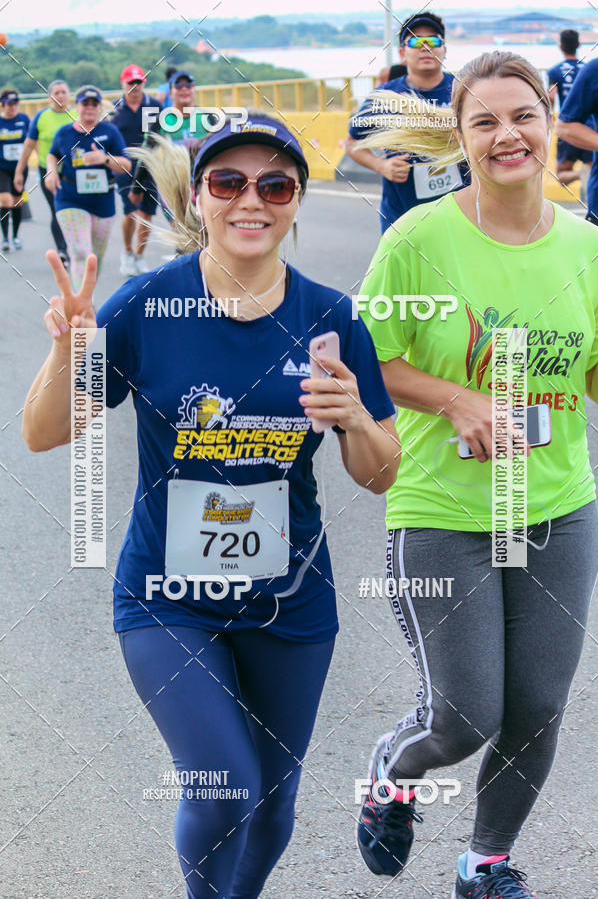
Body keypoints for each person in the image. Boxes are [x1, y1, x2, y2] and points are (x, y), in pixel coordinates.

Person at [22, 113, 400, 899]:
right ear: (199, 197)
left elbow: (380, 474)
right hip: (167, 598)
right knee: (226, 783)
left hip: (290, 601)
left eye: (274, 184)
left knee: (272, 803)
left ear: (295, 200)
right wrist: (69, 353)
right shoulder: (145, 306)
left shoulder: (333, 317)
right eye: (229, 182)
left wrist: (356, 416)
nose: (250, 201)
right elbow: (43, 432)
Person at [355, 51, 598, 899]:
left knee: (536, 709)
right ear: (459, 139)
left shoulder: (587, 246)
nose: (509, 135)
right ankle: (390, 779)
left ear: (548, 121)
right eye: (485, 121)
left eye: (523, 115)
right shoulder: (418, 241)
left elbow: (592, 373)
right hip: (444, 510)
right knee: (465, 716)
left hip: (558, 506)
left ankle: (485, 865)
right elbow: (368, 360)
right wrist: (456, 400)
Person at [346, 12, 468, 233]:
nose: (425, 47)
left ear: (444, 50)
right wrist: (381, 165)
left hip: (461, 214)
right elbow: (352, 143)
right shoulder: (385, 95)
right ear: (402, 53)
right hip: (402, 217)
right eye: (415, 41)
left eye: (433, 41)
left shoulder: (464, 90)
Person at [45, 85, 131, 291]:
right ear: (77, 106)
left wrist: (105, 158)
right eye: (85, 103)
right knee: (82, 252)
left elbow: (126, 166)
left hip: (102, 201)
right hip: (70, 198)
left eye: (94, 104)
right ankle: (84, 306)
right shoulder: (64, 133)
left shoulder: (109, 131)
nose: (90, 108)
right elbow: (52, 154)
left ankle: (84, 296)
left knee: (94, 259)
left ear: (100, 107)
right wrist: (51, 170)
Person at [129, 70, 209, 224]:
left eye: (189, 85)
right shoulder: (161, 121)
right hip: (172, 189)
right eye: (178, 86)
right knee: (184, 236)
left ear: (194, 89)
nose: (184, 89)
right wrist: (137, 188)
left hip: (202, 186)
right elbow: (147, 155)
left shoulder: (208, 118)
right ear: (170, 92)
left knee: (205, 234)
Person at [110, 63, 162, 276]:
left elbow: (164, 137)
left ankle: (140, 256)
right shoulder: (113, 109)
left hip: (150, 166)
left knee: (147, 214)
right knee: (131, 211)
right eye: (130, 82)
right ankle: (127, 251)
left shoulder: (155, 106)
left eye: (138, 82)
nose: (135, 86)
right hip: (123, 167)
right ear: (123, 84)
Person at [14, 80, 73, 265]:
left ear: (69, 94)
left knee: (72, 211)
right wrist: (19, 171)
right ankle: (62, 250)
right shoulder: (41, 116)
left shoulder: (77, 114)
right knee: (57, 209)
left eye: (64, 91)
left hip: (74, 172)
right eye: (57, 92)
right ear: (50, 96)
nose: (61, 95)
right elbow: (29, 145)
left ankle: (75, 247)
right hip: (48, 171)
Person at [546, 29, 593, 187]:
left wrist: (549, 116)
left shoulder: (555, 70)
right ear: (578, 45)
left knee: (562, 174)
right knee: (595, 171)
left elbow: (551, 96)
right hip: (591, 128)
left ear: (561, 47)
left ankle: (580, 173)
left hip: (568, 127)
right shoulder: (589, 69)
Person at [557, 56, 598, 226]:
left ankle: (583, 174)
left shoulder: (555, 69)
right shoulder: (595, 69)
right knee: (562, 173)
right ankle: (582, 174)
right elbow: (564, 126)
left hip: (585, 123)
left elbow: (550, 96)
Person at [0, 89, 30, 251]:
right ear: (2, 105)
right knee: (5, 200)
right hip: (2, 168)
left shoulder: (24, 119)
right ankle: (5, 237)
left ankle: (15, 236)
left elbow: (32, 141)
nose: (12, 107)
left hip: (20, 168)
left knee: (17, 201)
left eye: (15, 103)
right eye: (9, 104)